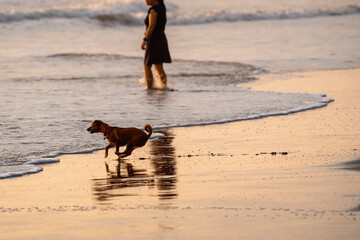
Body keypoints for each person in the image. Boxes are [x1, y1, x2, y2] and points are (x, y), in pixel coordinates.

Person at [141, 0, 171, 89]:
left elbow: (151, 26)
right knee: (159, 66)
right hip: (161, 38)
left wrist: (145, 39)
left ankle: (149, 89)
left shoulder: (153, 9)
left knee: (147, 65)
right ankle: (164, 87)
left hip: (154, 40)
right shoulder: (161, 8)